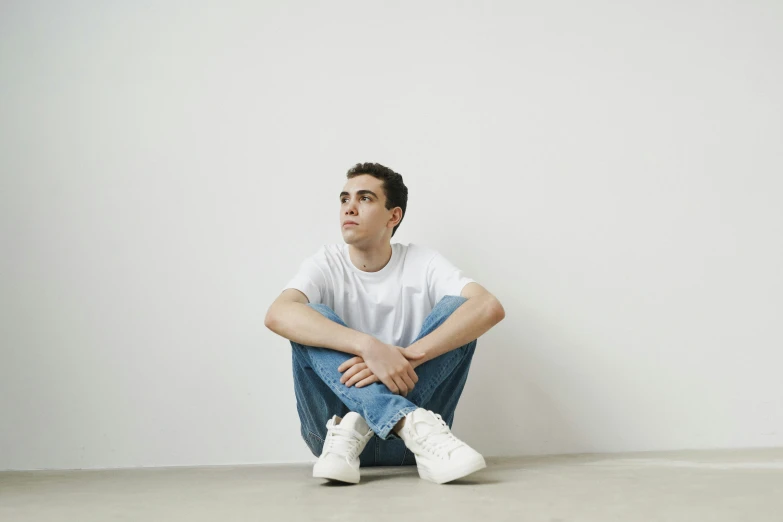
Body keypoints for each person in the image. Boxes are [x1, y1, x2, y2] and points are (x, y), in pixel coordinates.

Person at [264, 162, 505, 484]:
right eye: (344, 199)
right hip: (335, 440)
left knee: (459, 311)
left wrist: (402, 357)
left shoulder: (424, 262)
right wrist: (370, 347)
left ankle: (390, 420)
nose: (349, 207)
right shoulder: (325, 262)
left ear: (394, 216)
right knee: (307, 316)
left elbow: (488, 307)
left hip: (412, 447)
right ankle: (403, 418)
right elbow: (277, 314)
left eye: (364, 198)